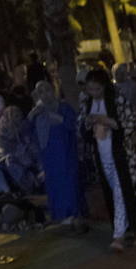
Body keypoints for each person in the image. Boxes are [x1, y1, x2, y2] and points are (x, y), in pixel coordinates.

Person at [79, 69, 136, 251]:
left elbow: (129, 122)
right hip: (102, 156)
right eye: (91, 89)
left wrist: (107, 121)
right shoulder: (86, 102)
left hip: (121, 154)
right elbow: (83, 127)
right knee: (115, 192)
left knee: (120, 191)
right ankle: (134, 229)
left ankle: (119, 235)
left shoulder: (117, 99)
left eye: (97, 89)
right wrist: (90, 122)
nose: (94, 93)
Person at [29, 81, 87, 232]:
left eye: (47, 90)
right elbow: (27, 132)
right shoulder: (38, 112)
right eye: (40, 92)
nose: (45, 94)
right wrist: (31, 115)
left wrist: (58, 118)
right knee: (55, 185)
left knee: (69, 184)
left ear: (53, 90)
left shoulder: (63, 107)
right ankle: (61, 217)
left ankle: (75, 215)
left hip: (66, 154)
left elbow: (74, 125)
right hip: (49, 157)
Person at [0, 106, 42, 194]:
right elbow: (3, 150)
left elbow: (25, 137)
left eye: (19, 116)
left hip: (17, 152)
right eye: (16, 116)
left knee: (32, 148)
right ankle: (30, 184)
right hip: (0, 158)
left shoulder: (17, 126)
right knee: (11, 161)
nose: (19, 118)